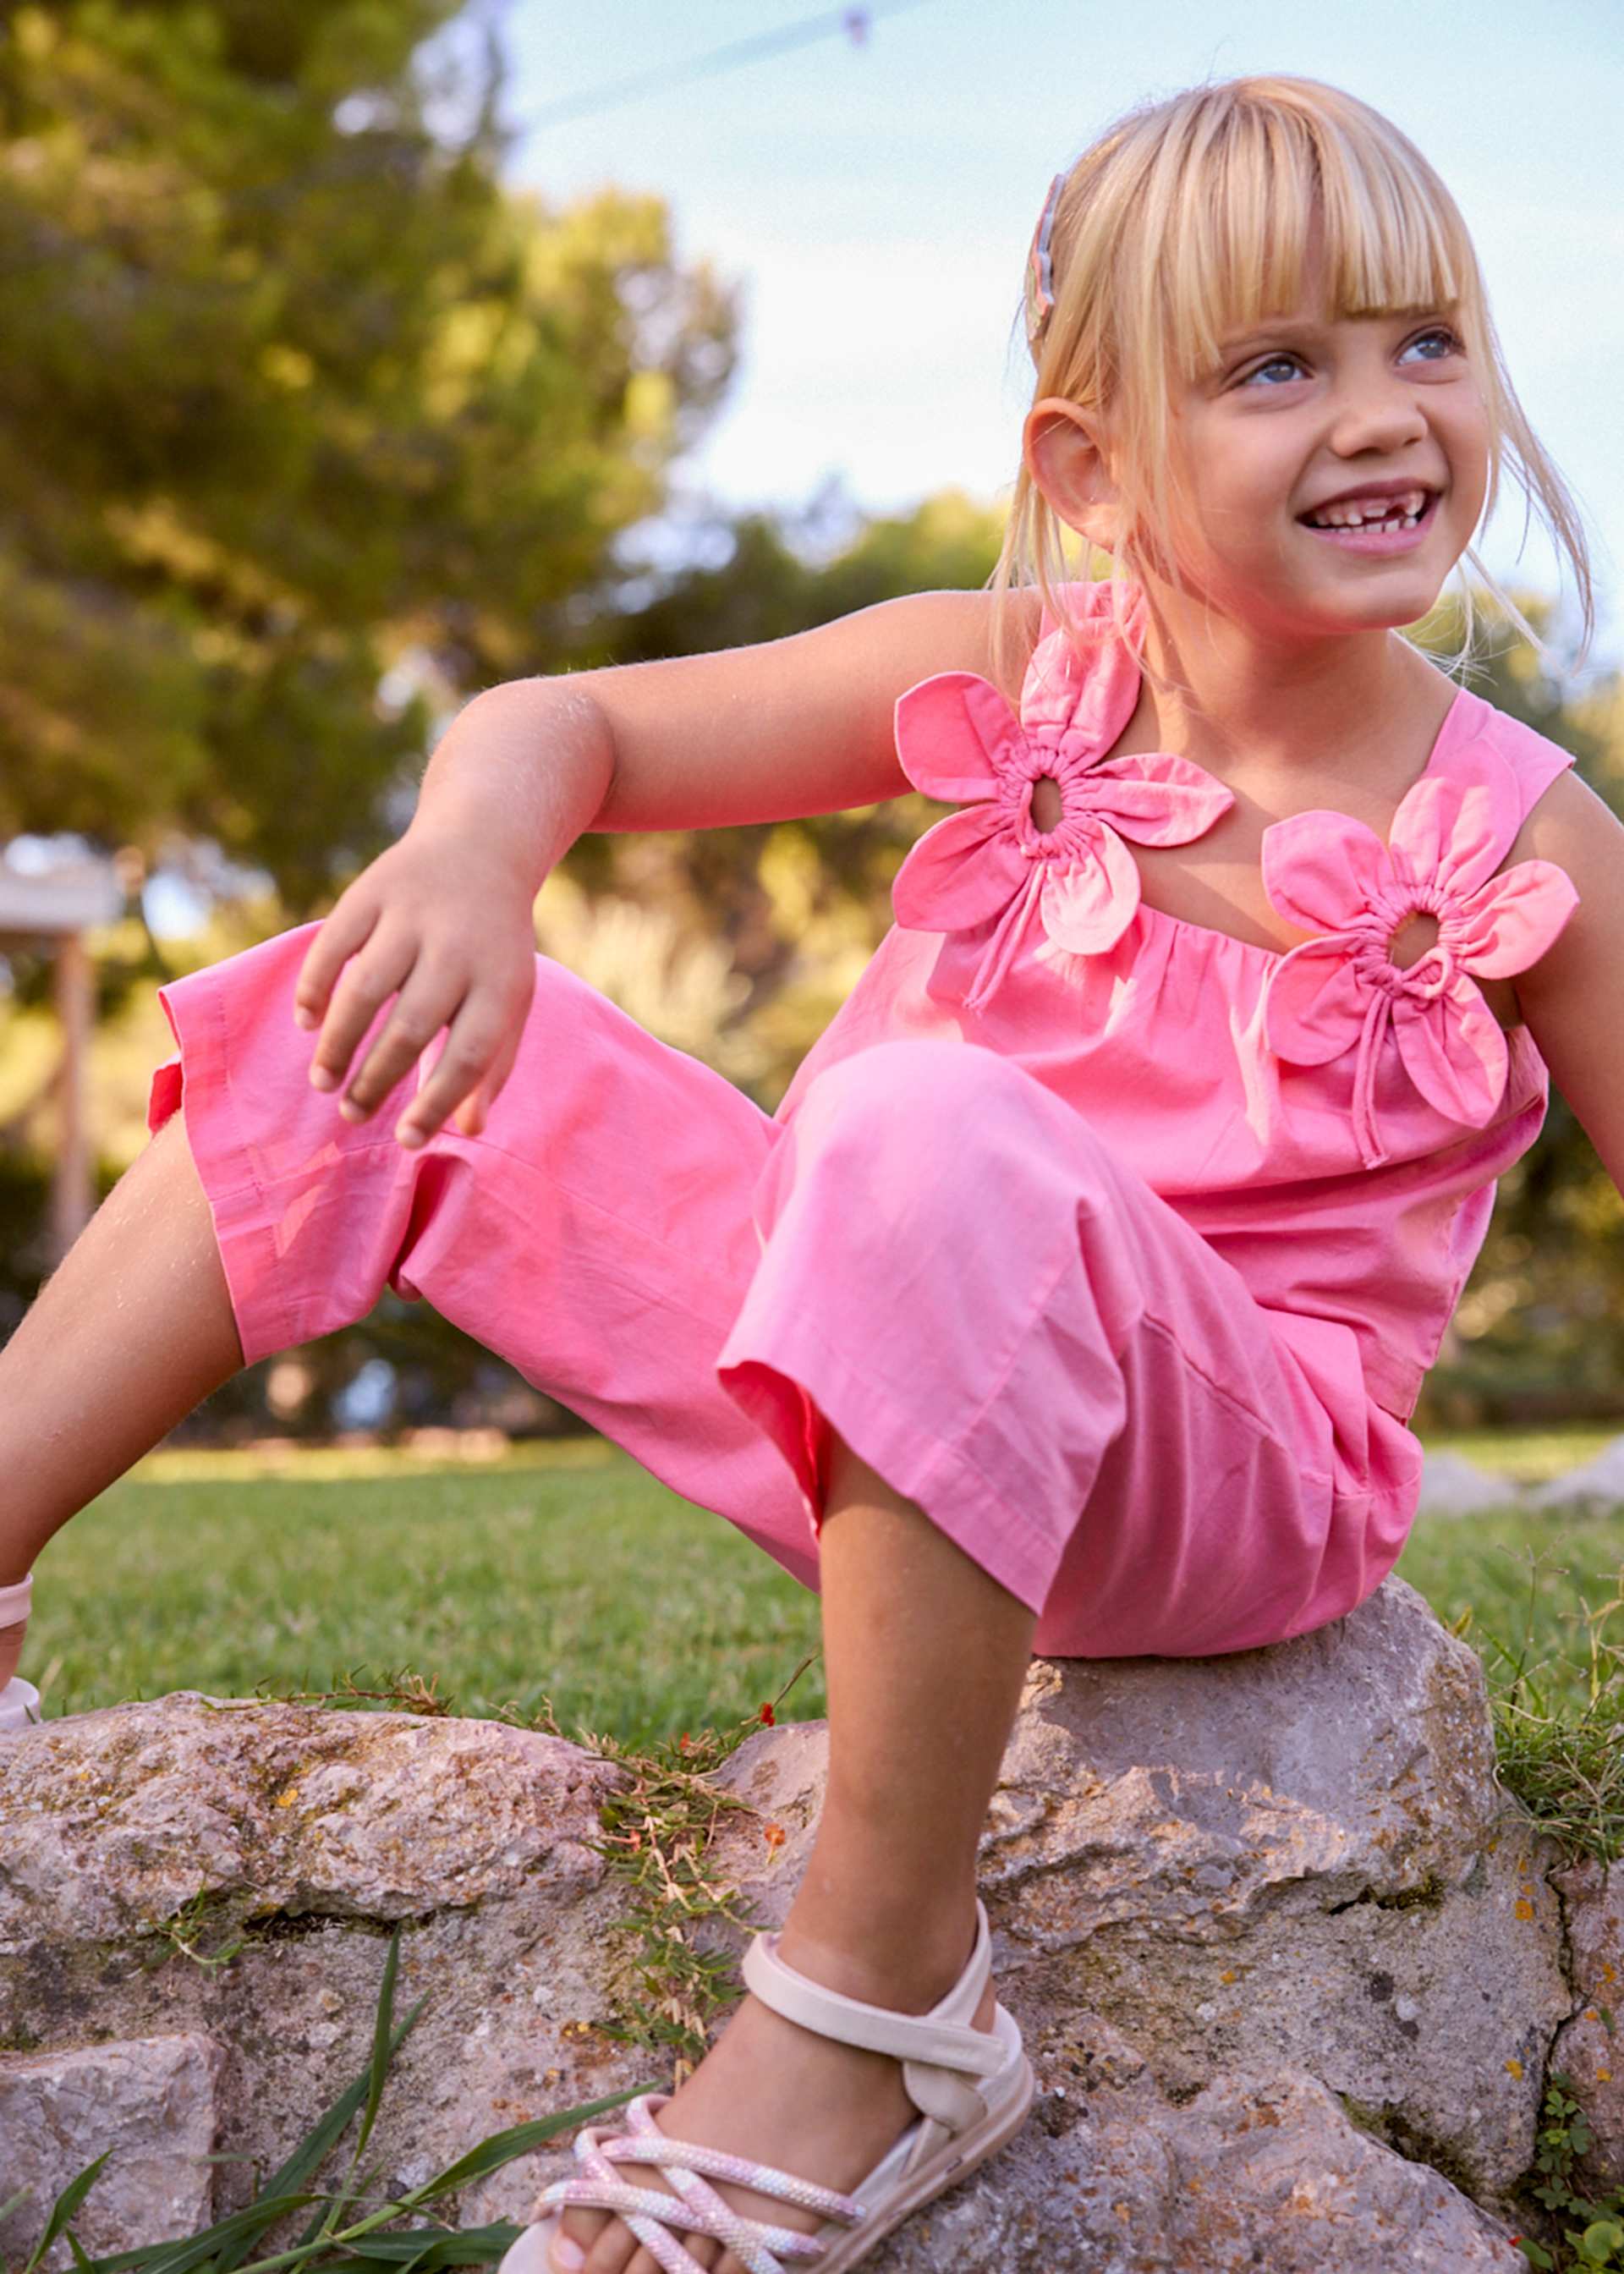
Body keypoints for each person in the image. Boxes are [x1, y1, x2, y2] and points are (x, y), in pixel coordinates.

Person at [1, 68, 1619, 2274]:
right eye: (1276, 366)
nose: (1382, 413)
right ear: (1095, 462)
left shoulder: (1526, 837)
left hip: (1216, 1482)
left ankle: (878, 2000)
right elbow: (563, 722)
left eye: (1425, 340)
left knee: (919, 1119)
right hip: (858, 1380)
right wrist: (477, 854)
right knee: (347, 996)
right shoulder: (1014, 678)